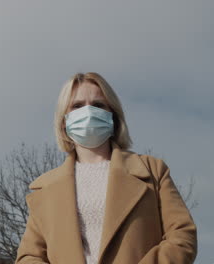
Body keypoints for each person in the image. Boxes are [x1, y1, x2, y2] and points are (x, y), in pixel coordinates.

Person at [14, 72, 197, 264]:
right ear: (64, 120)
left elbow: (182, 235)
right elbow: (29, 256)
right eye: (77, 105)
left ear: (113, 115)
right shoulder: (46, 188)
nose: (88, 112)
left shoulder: (153, 171)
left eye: (98, 105)